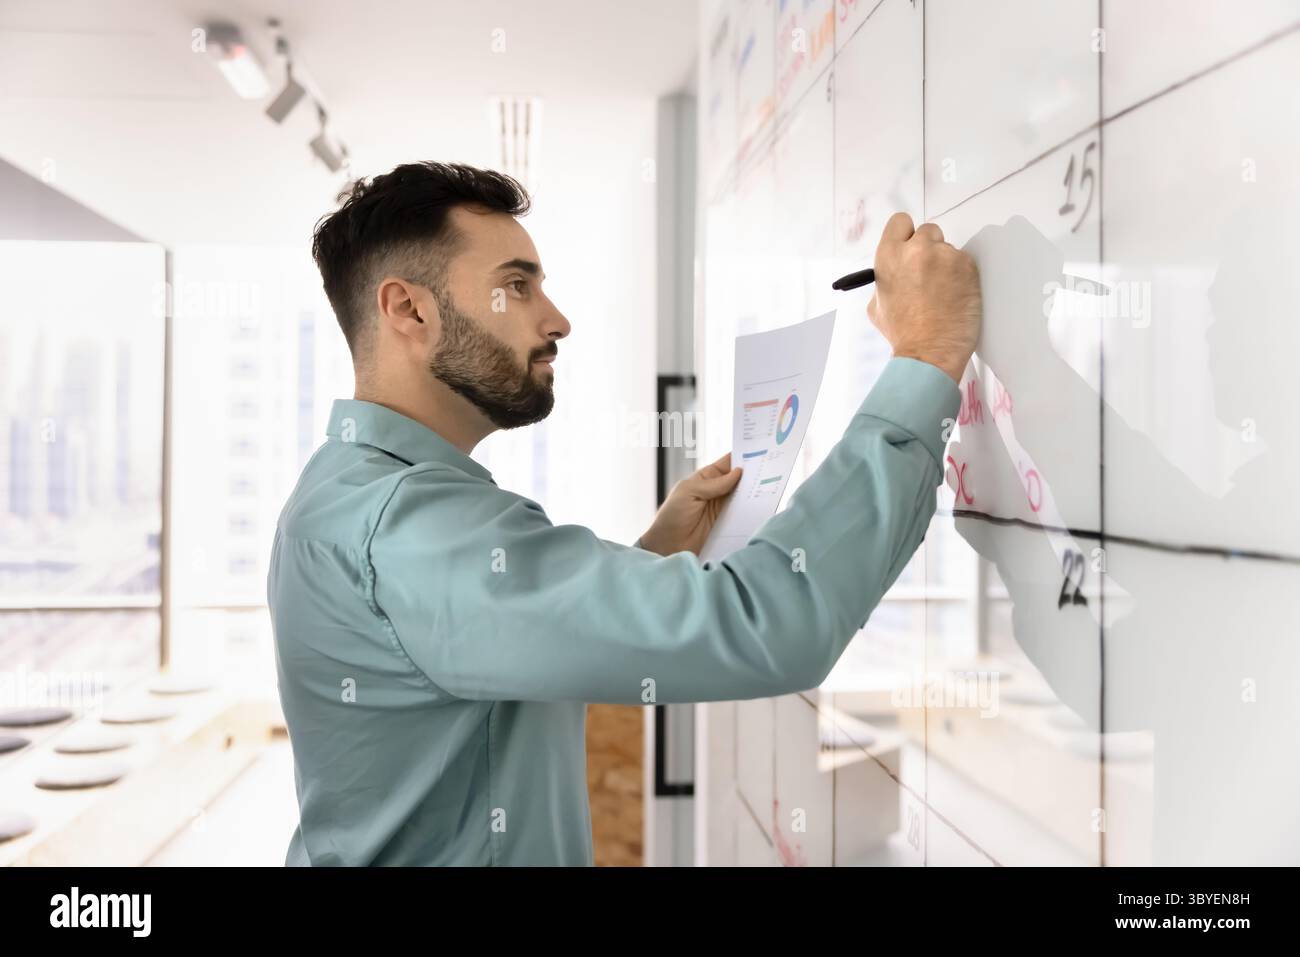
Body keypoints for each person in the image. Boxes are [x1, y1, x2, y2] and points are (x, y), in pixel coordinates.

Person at [268, 161, 981, 865]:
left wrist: (654, 554)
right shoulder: (407, 527)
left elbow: (497, 646)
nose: (557, 320)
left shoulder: (349, 490)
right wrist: (926, 355)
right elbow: (767, 622)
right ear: (409, 310)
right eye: (516, 286)